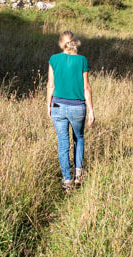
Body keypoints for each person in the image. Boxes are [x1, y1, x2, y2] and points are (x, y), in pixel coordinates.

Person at [46, 30, 95, 192]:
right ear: (75, 42)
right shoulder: (82, 60)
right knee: (79, 138)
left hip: (58, 106)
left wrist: (48, 105)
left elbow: (51, 85)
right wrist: (91, 110)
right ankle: (78, 175)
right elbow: (86, 87)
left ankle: (67, 180)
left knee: (63, 143)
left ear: (61, 43)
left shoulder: (54, 59)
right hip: (78, 107)